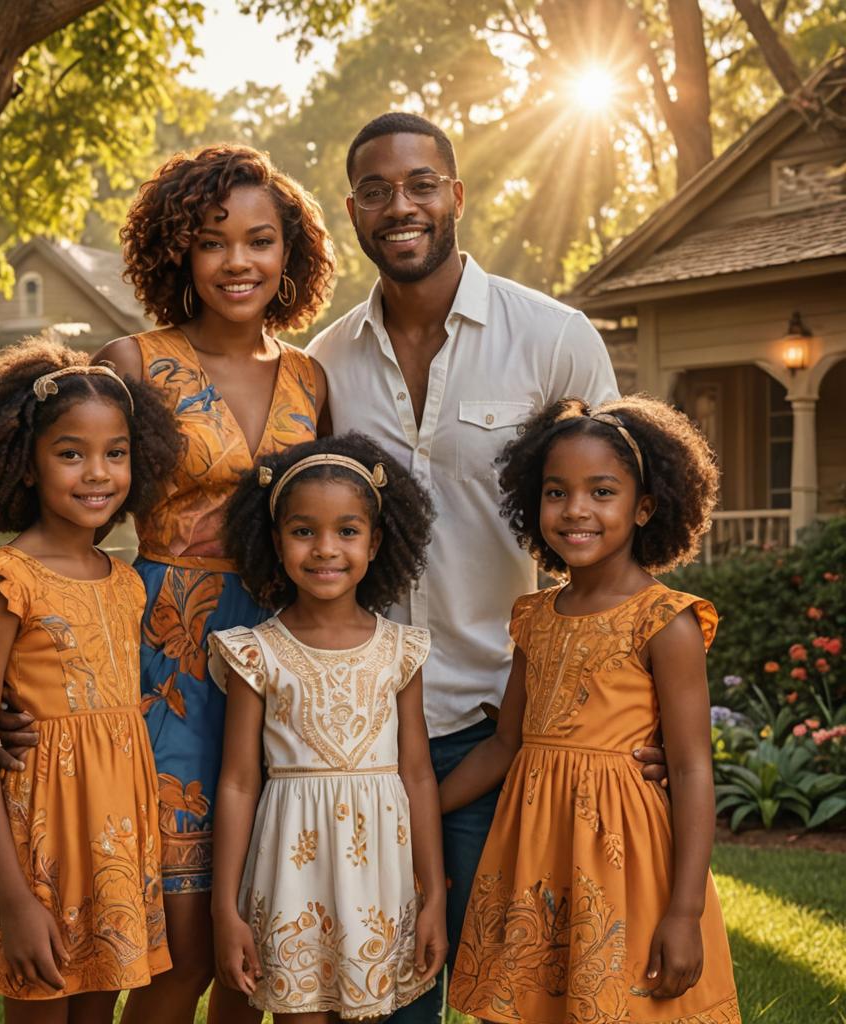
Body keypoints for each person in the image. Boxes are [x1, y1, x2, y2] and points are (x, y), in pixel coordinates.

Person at [306, 111, 668, 1022]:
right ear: (352, 210)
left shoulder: (554, 339)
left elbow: (617, 516)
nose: (403, 206)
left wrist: (645, 710)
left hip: (507, 730)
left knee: (541, 993)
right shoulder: (320, 367)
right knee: (378, 998)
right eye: (378, 191)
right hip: (358, 733)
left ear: (456, 195)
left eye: (422, 184)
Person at [0, 144, 336, 1024]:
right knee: (170, 947)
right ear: (178, 250)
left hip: (278, 661)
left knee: (252, 940)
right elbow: (68, 526)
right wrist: (12, 675)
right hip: (156, 668)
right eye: (214, 241)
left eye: (260, 241)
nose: (239, 262)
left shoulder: (310, 378)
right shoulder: (136, 361)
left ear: (288, 254)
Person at [444, 396, 740, 1023]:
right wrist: (416, 808)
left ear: (644, 508)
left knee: (620, 1003)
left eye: (601, 492)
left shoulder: (665, 621)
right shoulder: (534, 617)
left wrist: (684, 910)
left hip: (625, 858)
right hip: (535, 853)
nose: (577, 510)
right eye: (557, 492)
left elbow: (690, 770)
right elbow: (507, 744)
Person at [0, 339, 184, 1022]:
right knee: (43, 1003)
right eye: (70, 453)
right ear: (24, 462)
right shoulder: (4, 584)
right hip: (39, 846)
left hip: (113, 842)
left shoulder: (128, 582)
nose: (96, 473)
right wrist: (16, 900)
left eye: (116, 453)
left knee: (98, 1007)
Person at [208, 433, 448, 1023]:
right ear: (275, 541)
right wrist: (224, 908)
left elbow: (417, 775)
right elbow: (239, 783)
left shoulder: (402, 651)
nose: (325, 550)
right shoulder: (255, 654)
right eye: (303, 531)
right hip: (291, 871)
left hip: (381, 879)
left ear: (376, 542)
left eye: (347, 531)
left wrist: (434, 893)